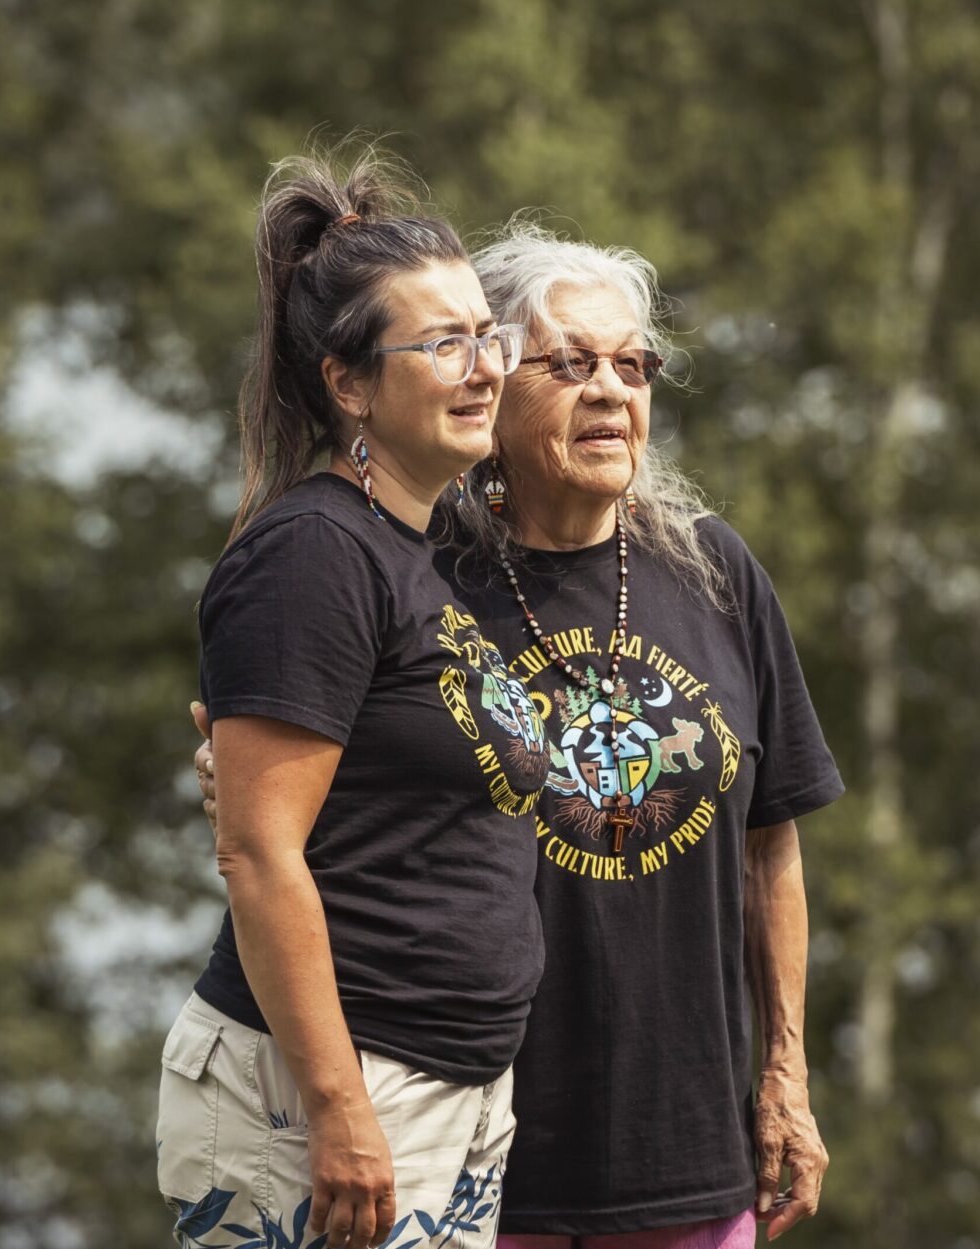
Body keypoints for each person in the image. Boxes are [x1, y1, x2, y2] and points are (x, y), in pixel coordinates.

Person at [192, 219, 843, 1249]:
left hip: (685, 1143)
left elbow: (772, 843)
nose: (610, 390)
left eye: (632, 364)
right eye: (571, 362)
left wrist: (786, 1074)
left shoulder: (716, 571)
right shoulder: (411, 564)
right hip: (467, 1129)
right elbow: (286, 794)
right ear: (498, 379)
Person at [158, 147, 552, 1249]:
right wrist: (340, 1113)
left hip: (455, 1097)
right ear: (347, 383)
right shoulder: (314, 555)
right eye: (443, 345)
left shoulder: (437, 551)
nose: (484, 368)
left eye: (489, 335)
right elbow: (258, 853)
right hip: (323, 1101)